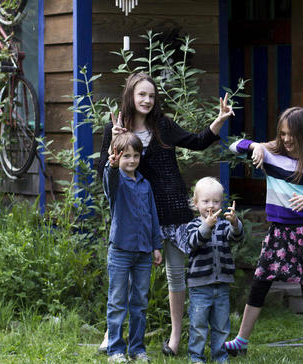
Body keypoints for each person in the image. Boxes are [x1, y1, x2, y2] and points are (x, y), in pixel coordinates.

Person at [97, 72, 235, 356]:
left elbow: (197, 141)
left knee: (175, 275)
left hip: (172, 211)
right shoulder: (115, 128)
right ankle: (113, 334)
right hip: (139, 215)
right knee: (128, 278)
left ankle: (174, 336)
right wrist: (114, 143)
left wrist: (219, 120)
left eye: (151, 95)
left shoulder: (163, 126)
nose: (147, 100)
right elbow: (104, 173)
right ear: (131, 97)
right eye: (142, 95)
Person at [224, 107, 303, 359]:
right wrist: (257, 147)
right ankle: (241, 341)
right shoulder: (271, 153)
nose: (286, 139)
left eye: (292, 135)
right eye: (282, 134)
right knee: (259, 285)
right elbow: (233, 146)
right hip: (278, 232)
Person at [103, 132, 163, 363]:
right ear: (118, 157)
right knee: (117, 302)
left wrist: (156, 246)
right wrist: (111, 165)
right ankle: (115, 350)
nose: (131, 160)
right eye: (126, 156)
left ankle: (137, 348)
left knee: (139, 302)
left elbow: (152, 216)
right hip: (120, 250)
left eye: (135, 155)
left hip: (144, 252)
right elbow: (109, 180)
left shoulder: (145, 184)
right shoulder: (116, 181)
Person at [172, 177, 244, 363]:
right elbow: (193, 242)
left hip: (222, 285)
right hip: (200, 286)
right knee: (199, 324)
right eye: (205, 201)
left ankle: (219, 356)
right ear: (196, 204)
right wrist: (206, 226)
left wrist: (235, 223)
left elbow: (236, 237)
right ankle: (196, 356)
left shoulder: (223, 224)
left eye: (216, 201)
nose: (211, 205)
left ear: (222, 203)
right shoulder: (194, 225)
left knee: (221, 325)